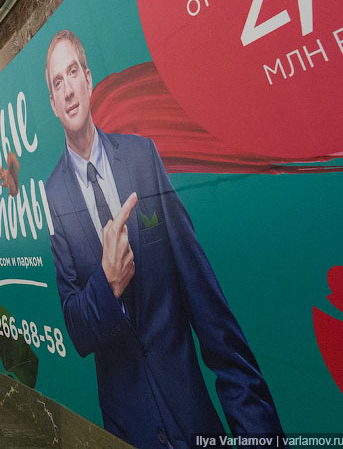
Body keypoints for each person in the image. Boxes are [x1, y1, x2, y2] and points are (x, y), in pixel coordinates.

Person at [43, 30, 282, 447]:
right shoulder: (54, 195)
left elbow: (208, 306)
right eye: (56, 83)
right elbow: (78, 330)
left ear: (89, 79)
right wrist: (108, 283)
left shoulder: (141, 157)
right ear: (52, 103)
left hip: (192, 420)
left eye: (72, 72)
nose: (67, 90)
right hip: (129, 431)